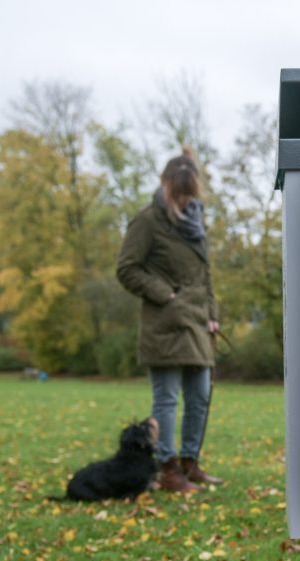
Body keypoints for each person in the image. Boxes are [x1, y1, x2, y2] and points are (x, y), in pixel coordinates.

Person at [116, 148, 223, 494]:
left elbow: (204, 275)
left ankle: (190, 463)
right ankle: (168, 469)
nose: (182, 200)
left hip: (197, 322)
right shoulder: (146, 220)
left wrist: (212, 315)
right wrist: (167, 296)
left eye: (188, 194)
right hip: (165, 323)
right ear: (164, 186)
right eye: (177, 194)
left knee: (201, 397)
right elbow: (127, 269)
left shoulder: (196, 222)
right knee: (166, 399)